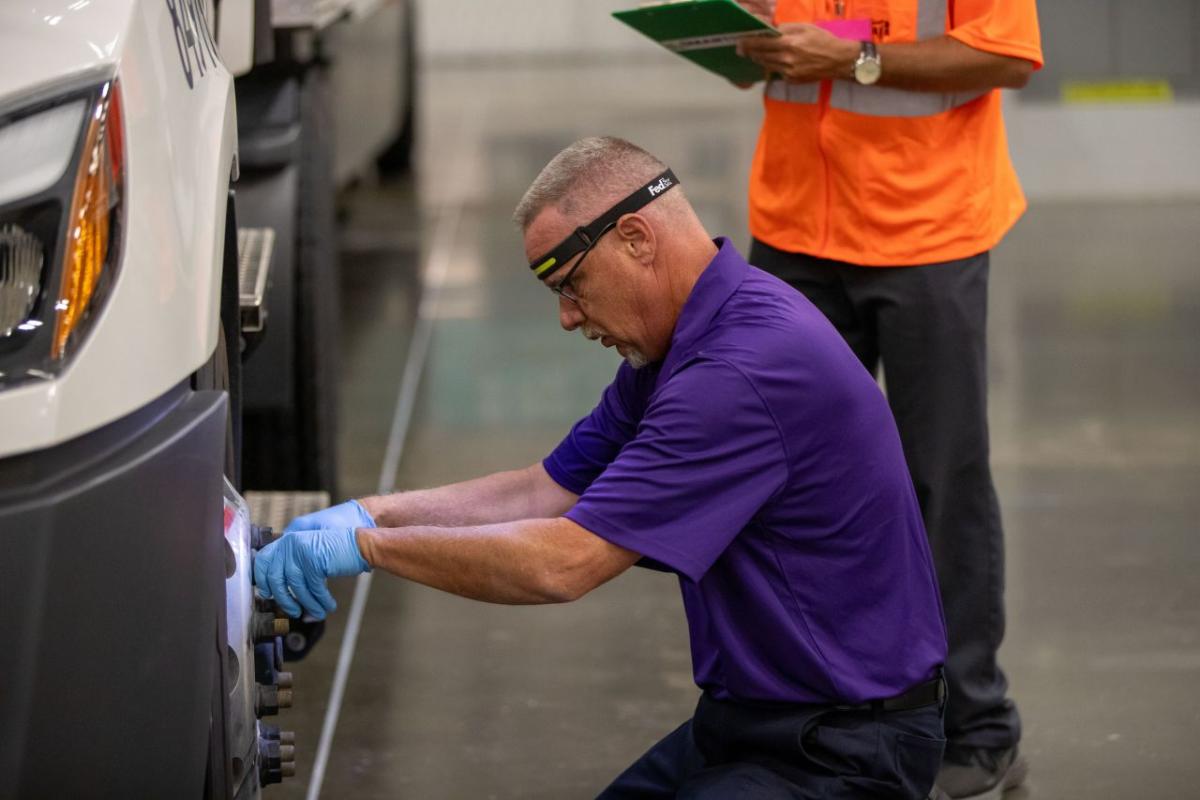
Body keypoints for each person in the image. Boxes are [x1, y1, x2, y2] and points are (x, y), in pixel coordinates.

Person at [254, 137, 949, 798]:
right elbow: (543, 490)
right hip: (753, 720)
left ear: (637, 239)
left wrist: (367, 548)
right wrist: (372, 511)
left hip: (842, 750)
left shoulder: (737, 375)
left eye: (573, 282)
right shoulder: (684, 342)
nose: (566, 316)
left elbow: (562, 563)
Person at [735, 2, 1043, 797]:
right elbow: (821, 31)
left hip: (927, 228)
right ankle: (820, 711)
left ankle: (977, 725)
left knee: (942, 482)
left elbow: (1005, 53)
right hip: (796, 222)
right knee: (789, 486)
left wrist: (852, 62)